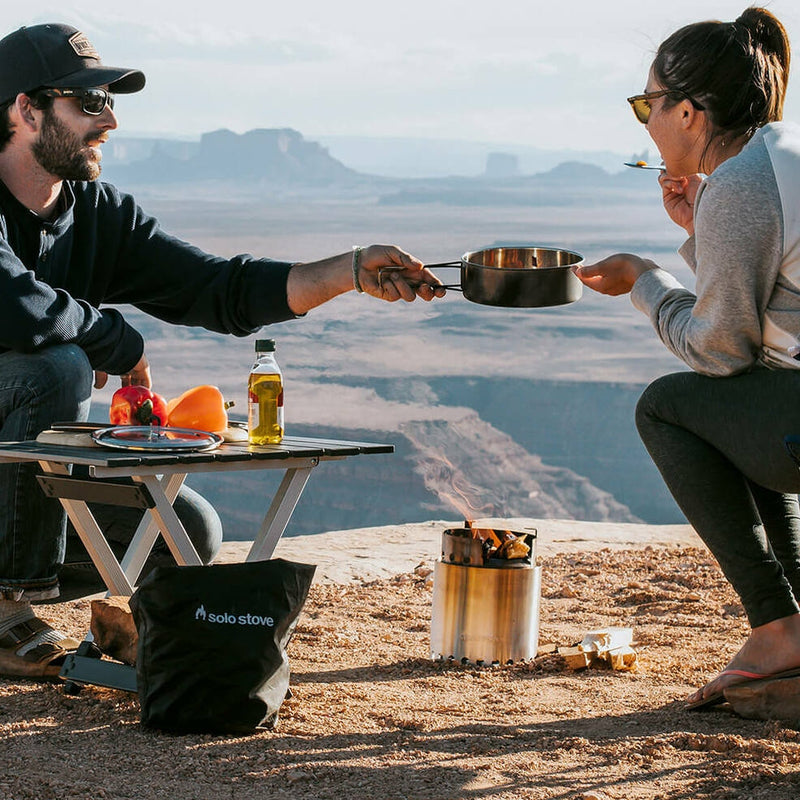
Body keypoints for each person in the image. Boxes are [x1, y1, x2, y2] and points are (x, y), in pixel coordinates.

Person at [0, 22, 444, 679]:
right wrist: (110, 334)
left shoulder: (98, 213)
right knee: (57, 364)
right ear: (26, 109)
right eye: (90, 103)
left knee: (186, 535)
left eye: (112, 102)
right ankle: (8, 609)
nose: (112, 120)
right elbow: (12, 301)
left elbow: (219, 289)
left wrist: (347, 271)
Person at [574, 6, 800, 711]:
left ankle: (776, 624)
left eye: (648, 103)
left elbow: (718, 350)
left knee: (670, 406)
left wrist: (647, 281)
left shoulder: (740, 185)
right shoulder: (776, 157)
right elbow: (770, 317)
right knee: (739, 406)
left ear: (692, 113)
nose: (643, 121)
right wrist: (700, 226)